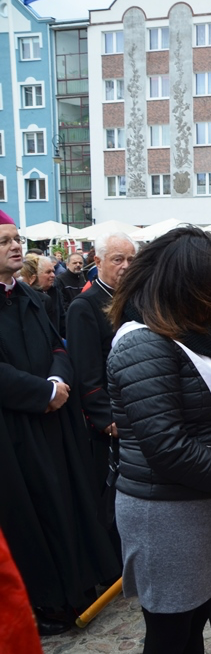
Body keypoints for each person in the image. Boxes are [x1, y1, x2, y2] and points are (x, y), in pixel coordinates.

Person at [107, 227, 211, 654]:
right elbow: (168, 448)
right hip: (166, 512)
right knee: (173, 632)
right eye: (208, 291)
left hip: (204, 500)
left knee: (196, 618)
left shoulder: (182, 335)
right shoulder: (142, 344)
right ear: (182, 287)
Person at [0, 211, 121, 636]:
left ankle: (78, 588)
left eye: (17, 238)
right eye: (5, 241)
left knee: (68, 501)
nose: (16, 246)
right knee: (32, 515)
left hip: (54, 422)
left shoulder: (29, 296)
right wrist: (42, 393)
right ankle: (47, 602)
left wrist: (57, 378)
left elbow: (58, 344)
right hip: (15, 432)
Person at [66, 232, 137, 557]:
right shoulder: (84, 305)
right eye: (117, 260)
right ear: (97, 262)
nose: (125, 266)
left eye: (131, 259)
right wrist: (106, 419)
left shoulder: (134, 299)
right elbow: (86, 371)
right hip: (109, 424)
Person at [18, 255, 63, 336]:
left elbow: (62, 318)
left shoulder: (55, 291)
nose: (53, 275)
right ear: (33, 276)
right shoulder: (28, 297)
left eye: (53, 271)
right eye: (48, 272)